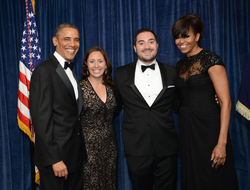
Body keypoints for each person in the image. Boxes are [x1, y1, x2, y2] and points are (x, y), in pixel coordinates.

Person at [172, 13, 238, 190]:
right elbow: (177, 100)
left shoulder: (211, 60)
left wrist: (221, 143)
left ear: (197, 36)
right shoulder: (179, 65)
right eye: (177, 37)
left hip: (209, 128)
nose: (181, 41)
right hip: (188, 129)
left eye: (186, 36)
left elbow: (226, 103)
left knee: (213, 178)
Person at [114, 28, 179, 190]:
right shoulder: (121, 74)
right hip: (136, 147)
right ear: (135, 48)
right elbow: (113, 104)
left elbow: (181, 102)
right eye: (141, 43)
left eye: (151, 41)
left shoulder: (172, 72)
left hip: (166, 146)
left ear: (157, 45)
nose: (147, 46)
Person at [29, 23, 87, 190]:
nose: (73, 44)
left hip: (74, 155)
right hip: (56, 159)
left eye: (76, 40)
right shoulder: (44, 70)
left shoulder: (71, 71)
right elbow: (41, 120)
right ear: (55, 41)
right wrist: (54, 159)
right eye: (66, 39)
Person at [80, 46, 117, 189]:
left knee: (109, 183)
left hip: (110, 148)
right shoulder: (79, 88)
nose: (96, 65)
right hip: (88, 151)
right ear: (86, 65)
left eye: (100, 61)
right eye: (92, 61)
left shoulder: (112, 88)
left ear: (106, 64)